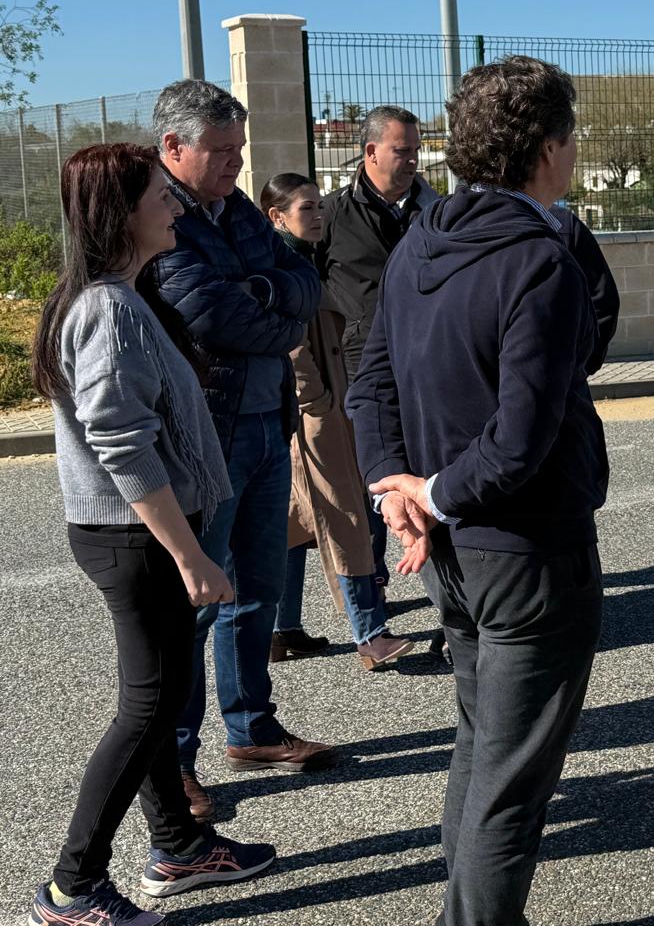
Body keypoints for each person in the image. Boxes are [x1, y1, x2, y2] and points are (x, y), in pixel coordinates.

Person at [348, 57, 608, 926]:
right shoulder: (540, 260)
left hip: (449, 550)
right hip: (526, 551)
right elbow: (520, 439)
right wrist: (424, 492)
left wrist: (398, 492)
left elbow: (370, 389)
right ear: (546, 148)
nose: (573, 152)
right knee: (510, 785)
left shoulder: (420, 239)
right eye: (570, 137)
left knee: (481, 749)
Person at [27, 144, 275, 926]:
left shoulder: (117, 296)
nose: (175, 208)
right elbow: (122, 444)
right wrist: (189, 554)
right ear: (122, 213)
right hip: (135, 538)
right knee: (147, 707)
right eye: (160, 197)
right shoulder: (106, 309)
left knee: (159, 697)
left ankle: (179, 845)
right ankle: (72, 889)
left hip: (133, 534)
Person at [148, 80, 333, 823]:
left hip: (264, 424)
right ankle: (175, 764)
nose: (236, 162)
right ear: (173, 147)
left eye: (240, 148)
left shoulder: (238, 211)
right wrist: (274, 308)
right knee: (196, 604)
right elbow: (210, 315)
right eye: (221, 150)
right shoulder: (157, 210)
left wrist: (264, 293)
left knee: (257, 590)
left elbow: (305, 282)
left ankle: (252, 728)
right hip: (206, 438)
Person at [260, 174, 413, 671]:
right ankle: (370, 635)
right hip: (313, 412)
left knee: (296, 519)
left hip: (318, 405)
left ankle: (280, 630)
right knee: (344, 515)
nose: (319, 216)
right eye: (307, 208)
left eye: (320, 207)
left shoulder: (304, 259)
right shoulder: (281, 267)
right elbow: (291, 345)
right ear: (276, 216)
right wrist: (317, 402)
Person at [318, 107, 440, 592]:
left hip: (427, 366)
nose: (413, 161)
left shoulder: (436, 213)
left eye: (416, 151)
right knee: (371, 476)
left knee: (431, 473)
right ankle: (370, 588)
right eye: (402, 151)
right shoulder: (331, 215)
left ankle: (449, 588)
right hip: (359, 371)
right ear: (370, 152)